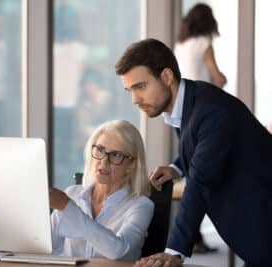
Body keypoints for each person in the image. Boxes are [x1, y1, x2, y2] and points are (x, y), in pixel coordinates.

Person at [115, 38, 272, 267]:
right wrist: (176, 167)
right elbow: (202, 144)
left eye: (140, 87)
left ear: (167, 77)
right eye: (130, 90)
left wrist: (174, 250)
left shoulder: (211, 111)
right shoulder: (191, 101)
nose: (135, 99)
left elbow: (200, 182)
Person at [49, 120, 154, 260]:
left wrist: (68, 209)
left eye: (116, 155)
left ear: (131, 164)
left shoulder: (141, 205)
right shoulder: (71, 194)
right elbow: (49, 247)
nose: (104, 161)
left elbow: (118, 251)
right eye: (100, 150)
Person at [174, 3, 226, 253]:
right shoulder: (204, 42)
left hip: (181, 113)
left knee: (192, 174)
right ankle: (193, 237)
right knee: (202, 176)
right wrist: (222, 82)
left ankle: (193, 236)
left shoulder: (181, 43)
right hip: (202, 112)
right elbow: (217, 78)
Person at [174, 3, 226, 88]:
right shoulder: (204, 43)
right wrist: (223, 78)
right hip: (201, 96)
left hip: (183, 96)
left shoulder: (180, 44)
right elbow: (218, 80)